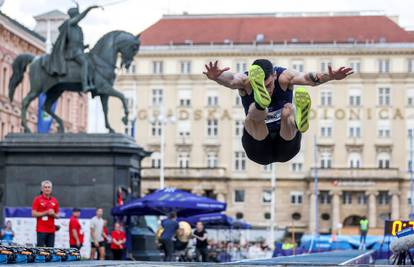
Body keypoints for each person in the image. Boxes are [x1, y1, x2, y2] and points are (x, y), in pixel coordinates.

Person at [203, 60, 353, 165]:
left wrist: (331, 76)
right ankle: (261, 105)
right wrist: (217, 77)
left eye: (268, 85)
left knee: (288, 109)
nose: (267, 90)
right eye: (261, 86)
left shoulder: (284, 77)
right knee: (252, 115)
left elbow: (309, 79)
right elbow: (230, 80)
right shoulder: (246, 80)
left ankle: (299, 120)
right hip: (258, 147)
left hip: (286, 143)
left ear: (274, 75)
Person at [41, 4, 101, 91]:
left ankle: (90, 82)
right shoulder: (69, 23)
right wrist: (89, 8)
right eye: (77, 15)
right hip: (72, 52)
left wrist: (84, 46)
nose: (78, 17)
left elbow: (76, 42)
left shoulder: (78, 29)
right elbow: (72, 43)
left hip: (78, 50)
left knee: (91, 60)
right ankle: (85, 85)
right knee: (84, 63)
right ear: (74, 15)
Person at [31, 180, 59, 247]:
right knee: (40, 251)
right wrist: (46, 212)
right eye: (45, 187)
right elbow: (33, 214)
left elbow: (58, 216)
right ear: (42, 189)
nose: (47, 189)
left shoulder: (54, 200)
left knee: (50, 251)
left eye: (49, 187)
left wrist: (53, 214)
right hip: (41, 230)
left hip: (51, 230)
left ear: (51, 189)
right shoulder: (37, 199)